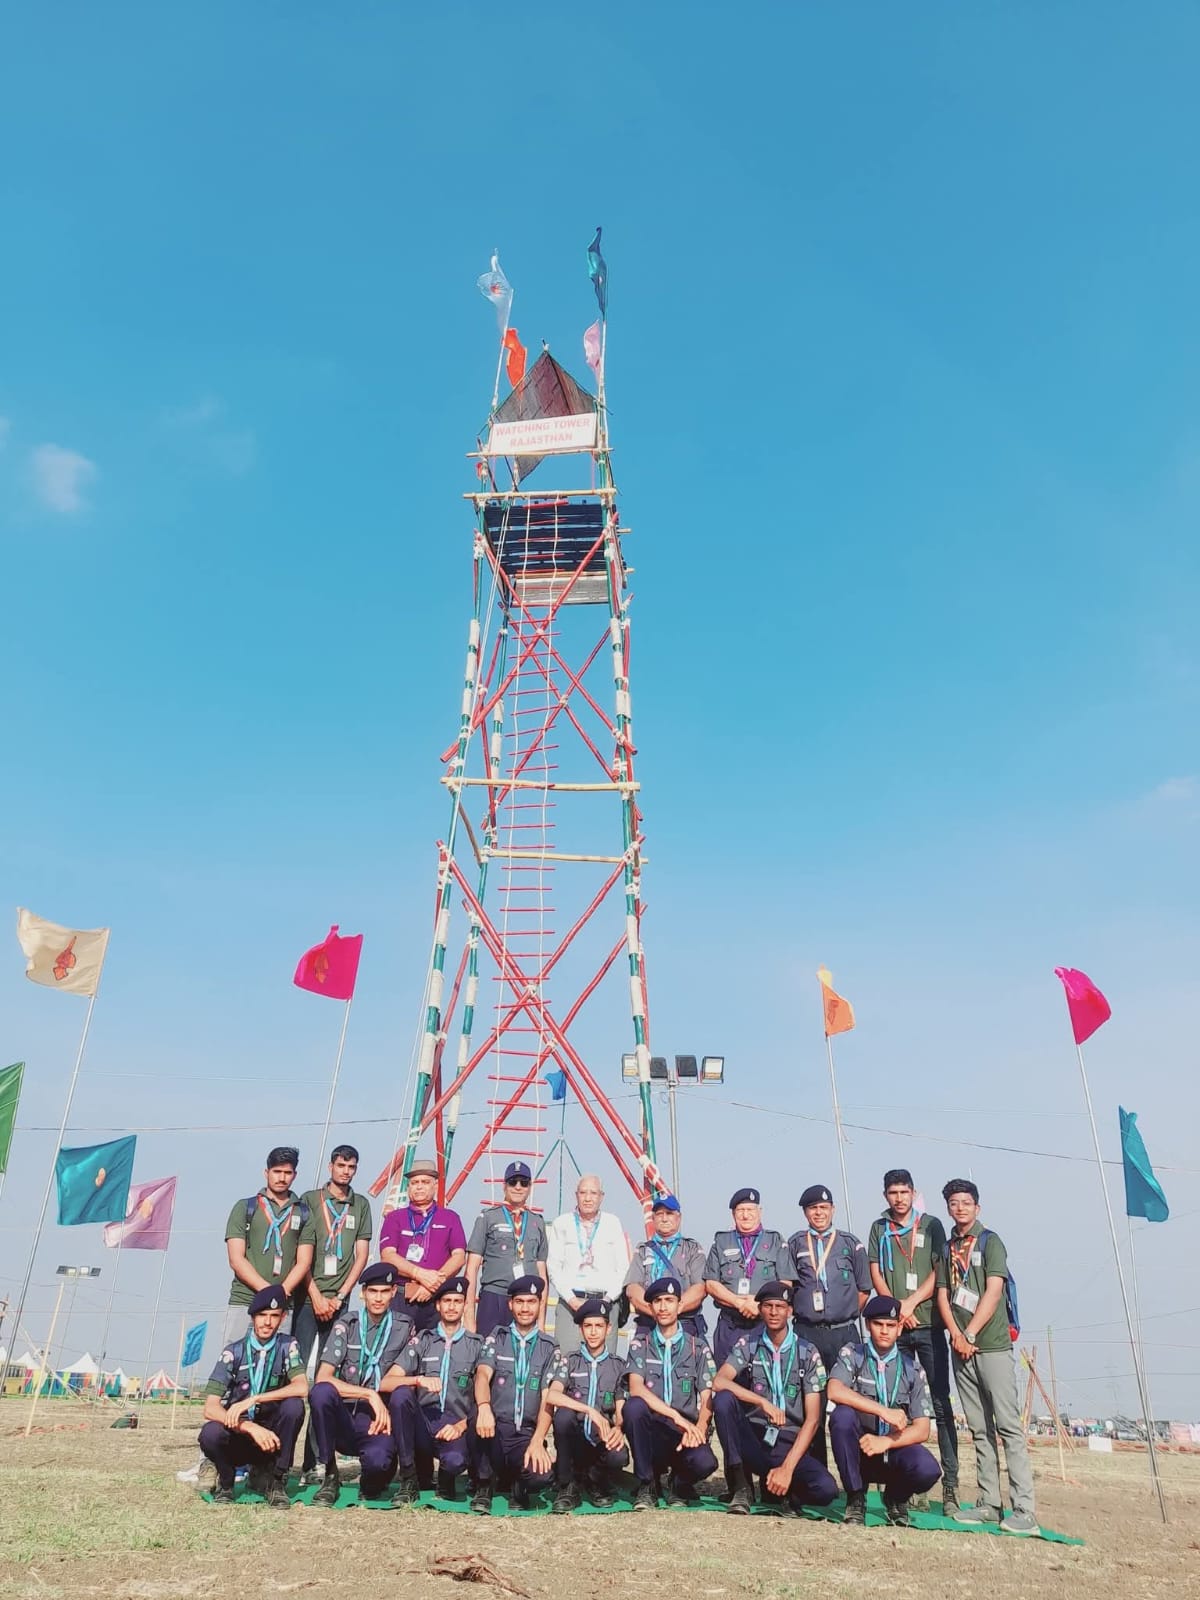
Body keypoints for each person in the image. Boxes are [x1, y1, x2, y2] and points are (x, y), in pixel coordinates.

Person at [179, 1146, 313, 1488]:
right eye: (276, 1171)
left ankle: (264, 1462)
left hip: (284, 1303)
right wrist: (269, 1293)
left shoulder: (303, 1211)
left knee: (277, 1380)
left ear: (294, 1175)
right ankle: (212, 1460)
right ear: (266, 1172)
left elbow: (304, 1260)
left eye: (288, 1172)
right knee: (233, 1378)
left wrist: (280, 1297)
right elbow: (236, 1259)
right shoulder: (246, 1207)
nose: (282, 1177)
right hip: (244, 1300)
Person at [935, 1179, 1037, 1534]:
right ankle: (989, 1503)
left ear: (977, 1207)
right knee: (979, 1428)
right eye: (953, 1203)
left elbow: (994, 1291)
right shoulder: (947, 1248)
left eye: (966, 1202)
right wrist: (955, 1334)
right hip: (960, 1347)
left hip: (990, 1344)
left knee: (1008, 1427)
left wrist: (970, 1334)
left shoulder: (991, 1242)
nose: (959, 1208)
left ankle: (1024, 1509)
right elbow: (943, 1295)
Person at [867, 1168, 958, 1507]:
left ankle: (950, 1484)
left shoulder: (931, 1225)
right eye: (893, 1193)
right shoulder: (879, 1228)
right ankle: (901, 1485)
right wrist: (895, 1310)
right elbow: (876, 1271)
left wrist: (910, 1303)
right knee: (896, 1405)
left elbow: (939, 1271)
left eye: (904, 1192)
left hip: (928, 1324)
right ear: (885, 1196)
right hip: (896, 1330)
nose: (899, 1198)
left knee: (940, 1404)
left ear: (913, 1193)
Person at [712, 1281, 837, 1516]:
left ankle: (786, 1490)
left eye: (780, 1306)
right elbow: (719, 1381)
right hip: (757, 1436)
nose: (773, 1312)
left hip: (789, 1441)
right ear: (760, 1309)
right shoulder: (749, 1344)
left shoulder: (807, 1352)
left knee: (826, 1490)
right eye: (768, 1306)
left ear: (790, 1311)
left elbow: (812, 1420)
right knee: (723, 1400)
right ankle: (741, 1487)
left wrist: (787, 1468)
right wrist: (761, 1402)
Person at [826, 1295, 942, 1526]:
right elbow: (834, 1390)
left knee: (928, 1469)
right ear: (868, 1325)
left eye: (891, 1325)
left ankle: (896, 1497)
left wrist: (886, 1442)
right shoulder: (853, 1354)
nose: (885, 1331)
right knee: (841, 1417)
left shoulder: (912, 1369)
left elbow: (922, 1430)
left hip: (892, 1450)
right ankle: (855, 1496)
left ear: (900, 1328)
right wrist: (883, 1411)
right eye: (878, 1324)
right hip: (860, 1450)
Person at [307, 1262, 416, 1508]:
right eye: (373, 1291)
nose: (378, 1298)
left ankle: (380, 1472)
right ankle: (330, 1475)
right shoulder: (347, 1324)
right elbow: (323, 1376)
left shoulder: (404, 1327)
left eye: (384, 1292)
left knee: (376, 1475)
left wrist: (383, 1404)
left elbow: (403, 1380)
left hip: (379, 1421)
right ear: (363, 1293)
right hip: (346, 1416)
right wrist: (369, 1394)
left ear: (393, 1293)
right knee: (321, 1392)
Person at [296, 1145, 373, 1479]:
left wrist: (340, 1296)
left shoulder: (361, 1204)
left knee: (325, 1382)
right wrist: (315, 1295)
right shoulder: (309, 1200)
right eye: (341, 1165)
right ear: (330, 1166)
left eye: (351, 1166)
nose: (346, 1171)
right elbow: (300, 1253)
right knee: (295, 1375)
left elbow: (361, 1255)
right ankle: (280, 1460)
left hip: (340, 1303)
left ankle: (317, 1459)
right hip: (306, 1299)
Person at [198, 1285, 309, 1508]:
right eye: (262, 1315)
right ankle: (226, 1482)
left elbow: (302, 1387)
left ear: (283, 1317)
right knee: (210, 1433)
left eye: (274, 1316)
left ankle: (276, 1481)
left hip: (271, 1438)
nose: (267, 1322)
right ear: (252, 1317)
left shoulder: (288, 1346)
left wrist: (256, 1398)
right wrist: (248, 1427)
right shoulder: (233, 1352)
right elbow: (210, 1407)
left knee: (294, 1407)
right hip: (240, 1432)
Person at [787, 1184, 871, 1464]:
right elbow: (787, 1287)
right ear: (805, 1212)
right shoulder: (795, 1244)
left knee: (852, 1404)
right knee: (810, 1405)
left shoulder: (850, 1243)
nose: (819, 1213)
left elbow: (864, 1289)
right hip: (807, 1333)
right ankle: (818, 1474)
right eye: (813, 1208)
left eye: (824, 1208)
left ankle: (857, 1475)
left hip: (843, 1334)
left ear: (833, 1209)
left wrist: (842, 1313)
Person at [624, 1276, 719, 1510]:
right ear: (650, 1307)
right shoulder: (640, 1344)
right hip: (653, 1430)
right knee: (633, 1407)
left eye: (669, 1300)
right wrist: (675, 1416)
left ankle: (679, 1483)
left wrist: (699, 1428)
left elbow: (707, 1396)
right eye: (657, 1301)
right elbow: (636, 1388)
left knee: (706, 1462)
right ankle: (647, 1483)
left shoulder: (698, 1347)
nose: (663, 1307)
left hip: (683, 1433)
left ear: (680, 1305)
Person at [471, 1274, 557, 1514]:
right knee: (476, 1411)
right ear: (510, 1304)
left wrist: (538, 1440)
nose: (525, 1308)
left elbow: (548, 1399)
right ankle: (484, 1485)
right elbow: (482, 1375)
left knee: (542, 1475)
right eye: (519, 1302)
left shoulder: (549, 1347)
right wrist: (484, 1407)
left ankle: (519, 1486)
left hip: (525, 1434)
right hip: (495, 1430)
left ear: (540, 1304)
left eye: (531, 1302)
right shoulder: (497, 1337)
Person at [394, 1274, 483, 1501]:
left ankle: (445, 1477)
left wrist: (462, 1425)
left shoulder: (477, 1345)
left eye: (457, 1301)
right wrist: (417, 1380)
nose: (452, 1307)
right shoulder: (423, 1340)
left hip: (456, 1423)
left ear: (464, 1305)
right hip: (424, 1421)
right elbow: (388, 1380)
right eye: (447, 1301)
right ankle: (409, 1477)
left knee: (455, 1460)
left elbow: (486, 1396)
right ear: (437, 1305)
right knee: (401, 1395)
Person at [544, 1297, 629, 1513]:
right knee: (563, 1415)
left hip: (600, 1439)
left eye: (599, 1326)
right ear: (581, 1330)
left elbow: (621, 1409)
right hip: (575, 1439)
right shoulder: (570, 1361)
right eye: (588, 1326)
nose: (593, 1332)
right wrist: (589, 1410)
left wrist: (619, 1428)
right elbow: (552, 1395)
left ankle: (596, 1482)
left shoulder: (618, 1366)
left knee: (619, 1455)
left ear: (609, 1329)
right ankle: (567, 1485)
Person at [378, 1157, 468, 1333]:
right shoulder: (394, 1218)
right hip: (402, 1297)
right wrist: (419, 1274)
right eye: (414, 1182)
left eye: (425, 1182)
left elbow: (459, 1257)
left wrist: (432, 1284)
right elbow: (387, 1255)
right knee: (397, 1345)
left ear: (435, 1185)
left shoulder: (450, 1217)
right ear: (408, 1187)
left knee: (434, 1346)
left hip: (436, 1297)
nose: (419, 1187)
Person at [704, 1187, 792, 1365]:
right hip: (729, 1326)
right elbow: (711, 1284)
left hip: (765, 1324)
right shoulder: (721, 1242)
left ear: (760, 1211)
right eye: (741, 1210)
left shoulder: (775, 1241)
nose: (745, 1215)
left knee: (766, 1377)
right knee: (726, 1379)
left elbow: (785, 1283)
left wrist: (758, 1304)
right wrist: (739, 1302)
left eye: (750, 1209)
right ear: (733, 1214)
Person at [546, 1174, 630, 1354]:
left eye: (593, 1193)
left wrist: (607, 1300)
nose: (588, 1198)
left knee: (605, 1365)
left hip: (606, 1303)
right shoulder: (562, 1223)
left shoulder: (612, 1223)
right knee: (566, 1362)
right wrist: (572, 1300)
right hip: (570, 1305)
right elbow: (553, 1267)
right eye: (583, 1192)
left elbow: (623, 1268)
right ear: (576, 1195)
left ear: (601, 1196)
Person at [465, 1161, 549, 1337]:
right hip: (494, 1297)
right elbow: (471, 1268)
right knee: (487, 1350)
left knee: (524, 1352)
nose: (518, 1187)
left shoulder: (537, 1222)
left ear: (530, 1187)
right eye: (513, 1182)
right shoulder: (487, 1218)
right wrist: (469, 1317)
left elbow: (542, 1272)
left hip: (526, 1301)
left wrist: (541, 1322)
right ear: (504, 1186)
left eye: (523, 1183)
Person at [624, 1194, 708, 1336]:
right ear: (653, 1218)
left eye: (669, 1213)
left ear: (679, 1217)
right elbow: (632, 1289)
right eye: (659, 1214)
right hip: (649, 1322)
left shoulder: (692, 1249)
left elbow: (700, 1289)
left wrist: (673, 1310)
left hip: (684, 1323)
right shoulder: (642, 1250)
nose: (664, 1218)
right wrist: (656, 1310)